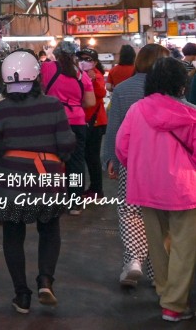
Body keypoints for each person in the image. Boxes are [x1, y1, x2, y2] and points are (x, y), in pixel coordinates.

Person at [0, 50, 75, 314]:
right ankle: (45, 281)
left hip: (11, 182)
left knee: (13, 234)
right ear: (37, 77)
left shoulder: (0, 109)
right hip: (48, 181)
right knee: (50, 228)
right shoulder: (53, 105)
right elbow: (67, 145)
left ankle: (22, 295)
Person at [116, 57, 196, 323]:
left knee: (158, 244)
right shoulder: (190, 114)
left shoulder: (137, 110)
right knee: (185, 247)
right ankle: (174, 305)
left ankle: (164, 292)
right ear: (181, 85)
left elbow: (122, 149)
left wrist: (142, 167)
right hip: (184, 188)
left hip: (147, 187)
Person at [102, 43, 170, 288]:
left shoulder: (123, 89)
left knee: (131, 211)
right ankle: (157, 273)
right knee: (159, 216)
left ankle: (134, 260)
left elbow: (115, 128)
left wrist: (111, 158)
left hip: (133, 161)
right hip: (168, 163)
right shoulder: (171, 88)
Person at [40, 40, 93, 214]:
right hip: (77, 121)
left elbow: (39, 89)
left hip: (53, 121)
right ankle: (75, 202)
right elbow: (90, 101)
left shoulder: (47, 68)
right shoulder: (81, 75)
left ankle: (52, 199)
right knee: (76, 163)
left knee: (51, 161)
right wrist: (75, 104)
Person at [78, 47, 107, 200]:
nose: (84, 62)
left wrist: (93, 80)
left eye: (88, 59)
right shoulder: (78, 74)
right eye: (81, 58)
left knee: (92, 157)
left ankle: (97, 190)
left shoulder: (96, 75)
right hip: (82, 121)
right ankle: (86, 189)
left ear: (95, 62)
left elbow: (102, 93)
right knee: (83, 157)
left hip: (95, 122)